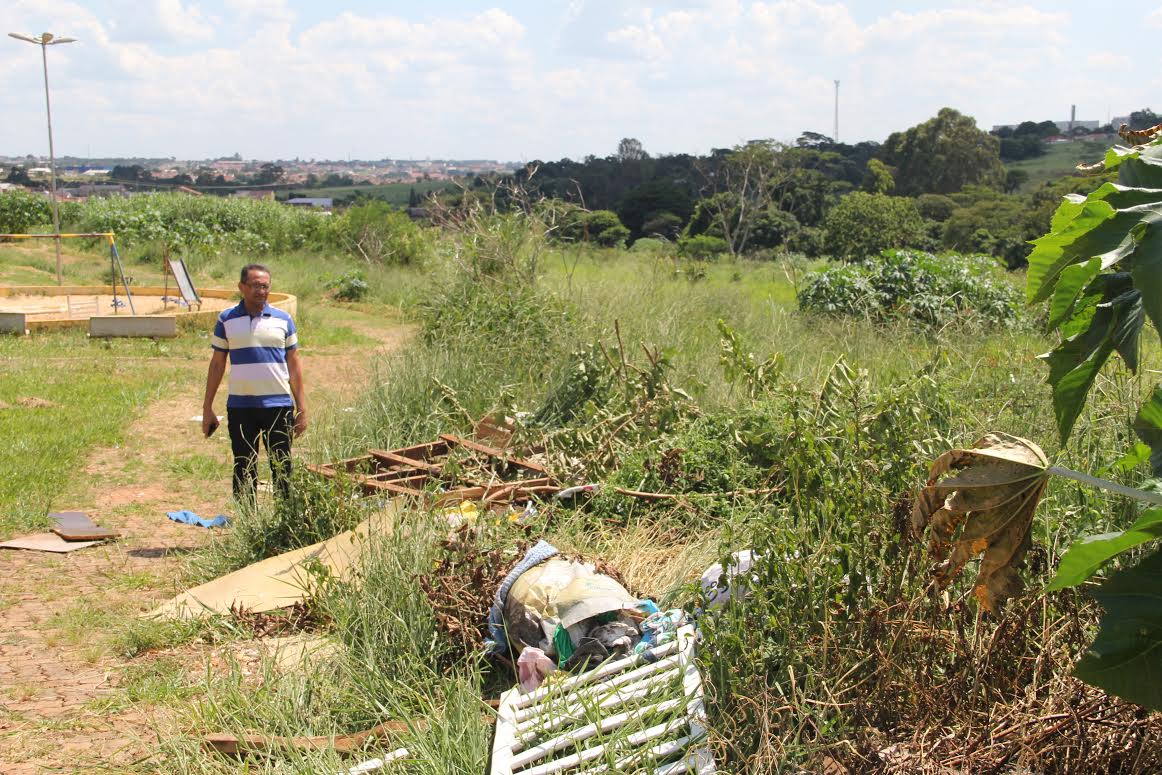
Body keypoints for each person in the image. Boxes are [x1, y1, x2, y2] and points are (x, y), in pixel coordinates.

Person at [202, 264, 307, 505]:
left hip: (278, 405)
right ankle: (247, 520)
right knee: (243, 464)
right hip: (240, 406)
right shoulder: (227, 319)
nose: (261, 291)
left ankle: (285, 519)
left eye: (265, 286)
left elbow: (294, 365)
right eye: (255, 285)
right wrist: (208, 407)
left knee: (281, 465)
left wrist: (301, 408)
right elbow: (217, 364)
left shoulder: (283, 319)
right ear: (241, 287)